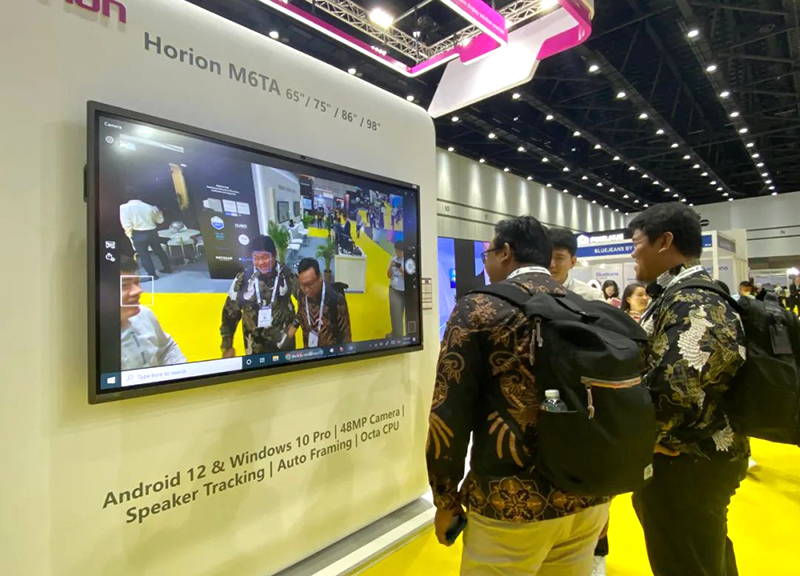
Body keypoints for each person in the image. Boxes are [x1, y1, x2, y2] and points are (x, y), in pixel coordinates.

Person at [428, 216, 610, 576]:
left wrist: (445, 498)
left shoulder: (478, 308)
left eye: (488, 254)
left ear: (506, 252)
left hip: (510, 506)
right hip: (587, 497)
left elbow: (448, 411)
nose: (487, 262)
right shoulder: (585, 307)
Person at [628, 203, 748, 576]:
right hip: (694, 458)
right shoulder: (679, 294)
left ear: (664, 242)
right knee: (705, 557)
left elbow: (676, 389)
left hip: (688, 462)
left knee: (687, 561)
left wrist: (644, 439)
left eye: (637, 243)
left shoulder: (692, 300)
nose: (633, 253)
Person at [220, 235, 299, 357]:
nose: (261, 263)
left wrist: (294, 326)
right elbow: (230, 311)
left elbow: (306, 301)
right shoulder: (243, 279)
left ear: (274, 255)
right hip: (254, 345)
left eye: (265, 257)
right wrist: (227, 345)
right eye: (256, 258)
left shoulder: (287, 275)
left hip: (283, 342)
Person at [119, 255, 185, 370]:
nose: (139, 290)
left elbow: (167, 347)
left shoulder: (144, 314)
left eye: (137, 282)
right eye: (124, 285)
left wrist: (180, 373)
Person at [292, 258, 352, 347]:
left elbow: (345, 334)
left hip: (331, 351)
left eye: (310, 284)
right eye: (303, 285)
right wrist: (292, 328)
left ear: (319, 277)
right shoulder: (301, 293)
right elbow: (301, 311)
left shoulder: (335, 298)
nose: (306, 290)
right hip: (309, 350)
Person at [119, 191, 173, 279]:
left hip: (138, 233)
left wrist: (130, 235)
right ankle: (167, 268)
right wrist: (160, 214)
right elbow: (160, 221)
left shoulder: (123, 207)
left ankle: (153, 275)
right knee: (159, 251)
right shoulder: (150, 207)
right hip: (152, 232)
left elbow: (126, 224)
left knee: (144, 256)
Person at [547, 228, 605, 301]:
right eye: (547, 256)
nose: (551, 264)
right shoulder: (534, 293)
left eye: (559, 258)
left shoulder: (590, 297)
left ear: (572, 262)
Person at [387, 241, 406, 338]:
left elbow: (409, 278)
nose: (398, 254)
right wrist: (391, 266)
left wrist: (401, 270)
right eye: (397, 251)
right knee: (394, 314)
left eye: (400, 252)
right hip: (393, 289)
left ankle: (399, 337)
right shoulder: (393, 259)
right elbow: (388, 275)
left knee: (400, 315)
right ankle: (394, 333)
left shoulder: (408, 262)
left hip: (404, 291)